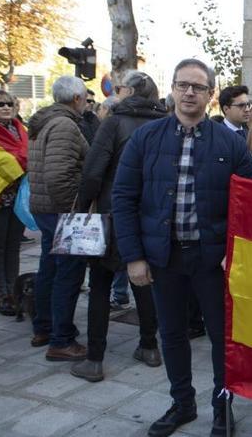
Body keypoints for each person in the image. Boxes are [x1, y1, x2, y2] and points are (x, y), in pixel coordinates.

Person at [112, 59, 252, 437]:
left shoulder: (230, 143)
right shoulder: (146, 138)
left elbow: (247, 205)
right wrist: (134, 257)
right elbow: (124, 198)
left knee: (222, 338)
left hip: (213, 261)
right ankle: (182, 403)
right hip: (164, 257)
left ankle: (222, 407)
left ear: (211, 95)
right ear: (172, 90)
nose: (189, 92)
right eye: (182, 85)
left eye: (198, 86)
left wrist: (234, 252)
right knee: (172, 334)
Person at [69, 70, 166, 383]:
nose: (118, 92)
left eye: (122, 87)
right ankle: (150, 347)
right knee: (145, 281)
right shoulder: (166, 126)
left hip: (114, 214)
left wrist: (81, 209)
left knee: (100, 283)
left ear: (132, 92)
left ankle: (95, 359)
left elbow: (93, 172)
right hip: (151, 216)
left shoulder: (113, 122)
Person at [27, 76, 90, 360]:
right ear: (76, 99)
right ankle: (61, 339)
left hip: (46, 209)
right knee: (67, 273)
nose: (88, 103)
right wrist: (73, 213)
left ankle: (44, 327)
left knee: (49, 268)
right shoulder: (64, 125)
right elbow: (58, 175)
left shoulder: (47, 121)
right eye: (86, 98)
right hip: (60, 212)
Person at [0, 89, 28, 316]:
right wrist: (17, 163)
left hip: (17, 198)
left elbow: (26, 154)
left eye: (9, 104)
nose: (5, 107)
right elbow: (2, 160)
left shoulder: (20, 129)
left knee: (13, 246)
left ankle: (13, 290)